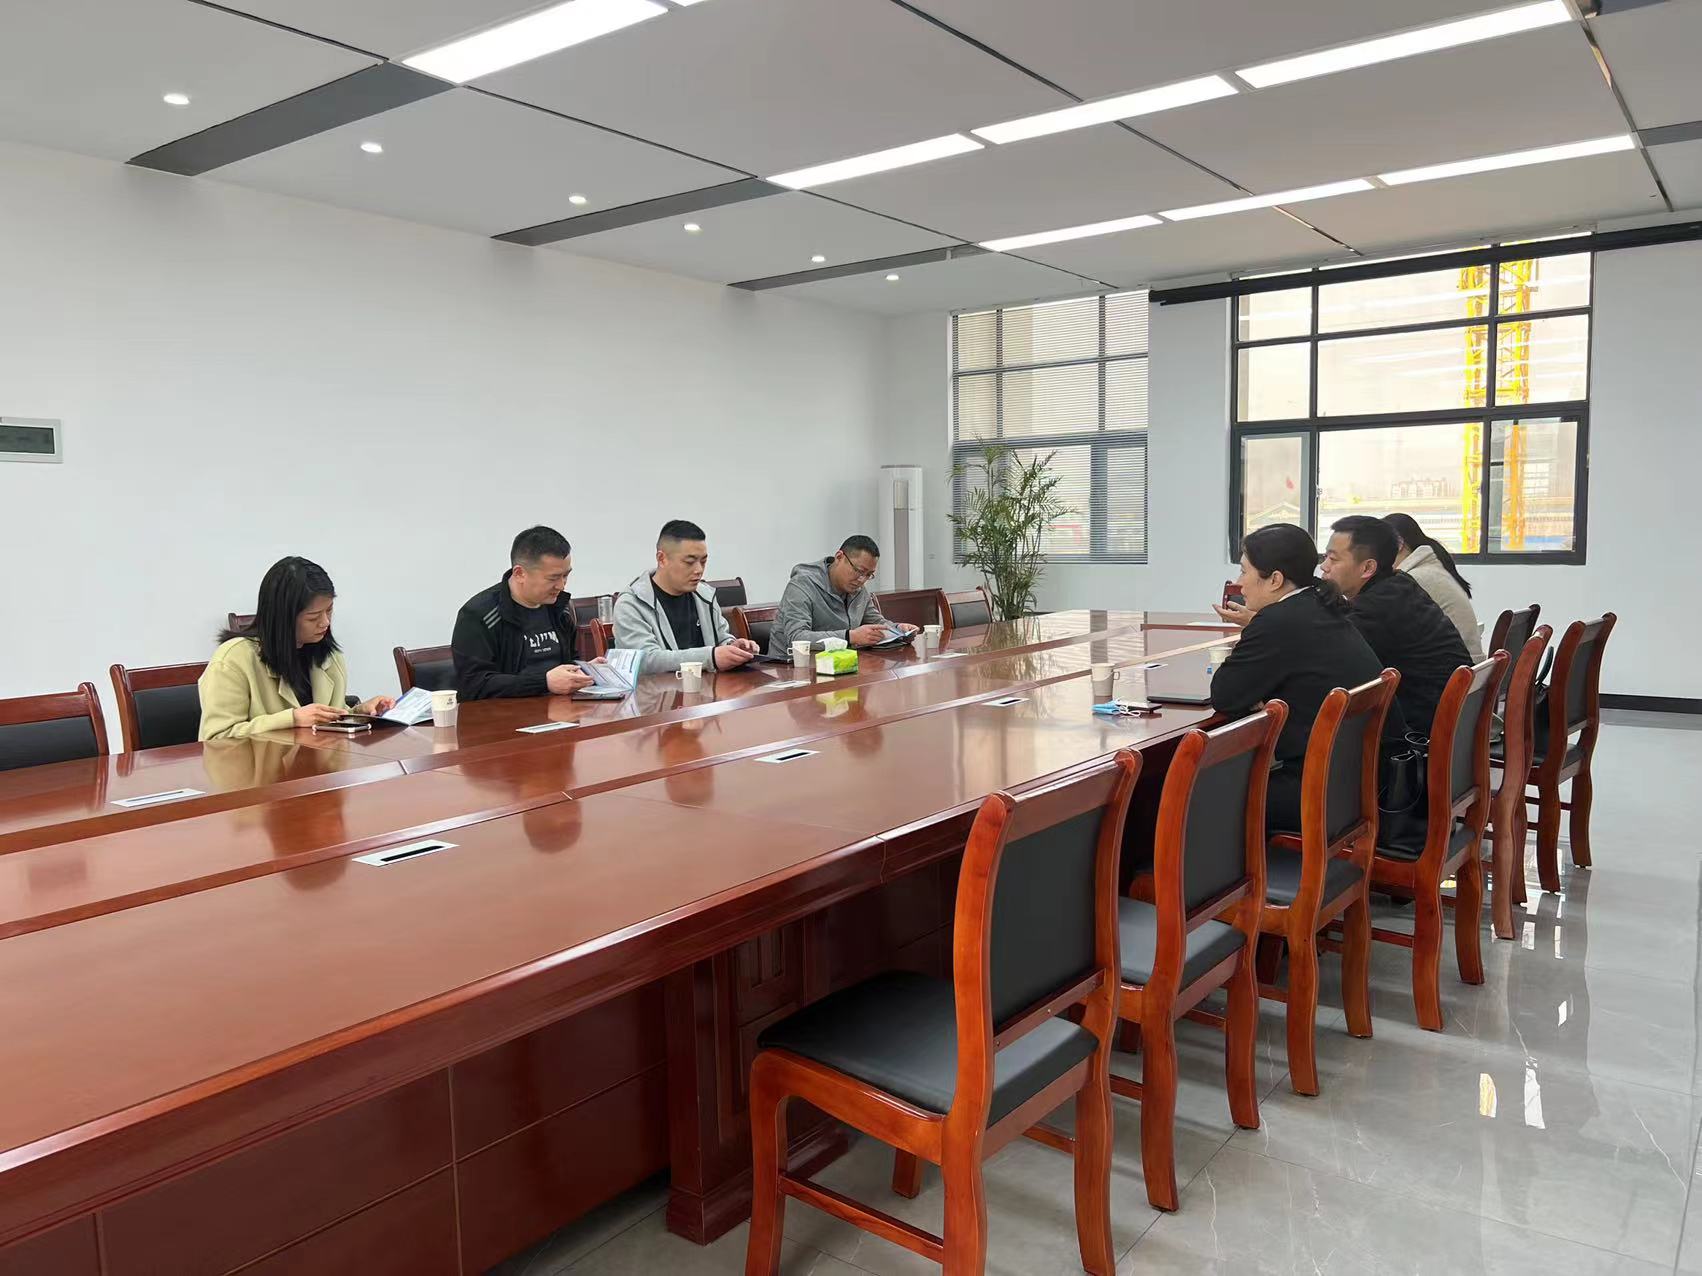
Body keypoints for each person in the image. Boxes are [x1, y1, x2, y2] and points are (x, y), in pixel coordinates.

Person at [1209, 524, 1391, 829]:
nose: (1239, 584)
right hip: (1362, 781)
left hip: (1322, 793)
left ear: (1275, 580)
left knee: (1200, 798)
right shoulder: (1321, 605)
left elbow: (1225, 695)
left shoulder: (1278, 621)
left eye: (1244, 571)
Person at [199, 557, 394, 740]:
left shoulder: (330, 656)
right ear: (283, 617)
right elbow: (216, 738)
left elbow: (327, 720)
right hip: (264, 766)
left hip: (321, 762)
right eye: (313, 617)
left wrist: (361, 713)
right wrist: (291, 719)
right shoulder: (233, 659)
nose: (325, 622)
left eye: (329, 610)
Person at [1319, 515, 1470, 737]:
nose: (1324, 566)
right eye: (1325, 557)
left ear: (1367, 567)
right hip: (1453, 722)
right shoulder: (1399, 586)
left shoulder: (1376, 608)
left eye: (1333, 559)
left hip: (1422, 735)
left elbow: (1326, 660)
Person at [452, 525, 592, 700]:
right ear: (519, 574)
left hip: (561, 708)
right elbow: (474, 685)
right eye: (553, 578)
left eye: (566, 575)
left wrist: (585, 670)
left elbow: (568, 660)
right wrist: (544, 682)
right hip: (505, 713)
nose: (561, 586)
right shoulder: (478, 615)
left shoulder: (560, 608)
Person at [613, 519, 760, 673]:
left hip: (709, 686)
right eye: (689, 562)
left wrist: (732, 647)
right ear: (662, 559)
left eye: (703, 561)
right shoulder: (631, 604)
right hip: (660, 688)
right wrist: (710, 657)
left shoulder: (705, 596)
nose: (699, 570)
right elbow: (646, 660)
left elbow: (720, 639)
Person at [770, 535, 919, 655]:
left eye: (869, 575)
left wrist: (899, 629)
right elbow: (796, 638)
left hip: (839, 664)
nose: (862, 580)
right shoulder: (802, 585)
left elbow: (876, 622)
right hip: (790, 669)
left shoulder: (858, 589)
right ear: (839, 557)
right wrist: (850, 637)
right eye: (859, 571)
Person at [1384, 512, 1485, 663]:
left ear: (1398, 544)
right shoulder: (1432, 569)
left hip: (1457, 669)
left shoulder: (1415, 578)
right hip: (1466, 667)